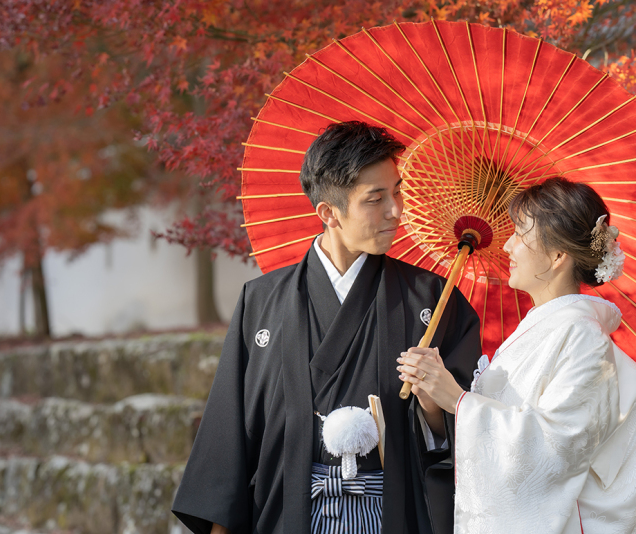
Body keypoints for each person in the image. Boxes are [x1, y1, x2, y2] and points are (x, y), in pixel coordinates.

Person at [172, 121, 482, 534]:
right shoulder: (262, 301)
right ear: (328, 212)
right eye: (376, 199)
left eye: (397, 191)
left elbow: (470, 429)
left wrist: (432, 400)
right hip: (289, 513)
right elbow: (228, 437)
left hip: (394, 514)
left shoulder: (432, 300)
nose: (396, 210)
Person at [398, 177, 636, 533]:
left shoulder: (582, 336)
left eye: (520, 235)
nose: (507, 245)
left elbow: (556, 449)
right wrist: (435, 402)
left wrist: (458, 400)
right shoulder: (542, 329)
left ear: (557, 256)